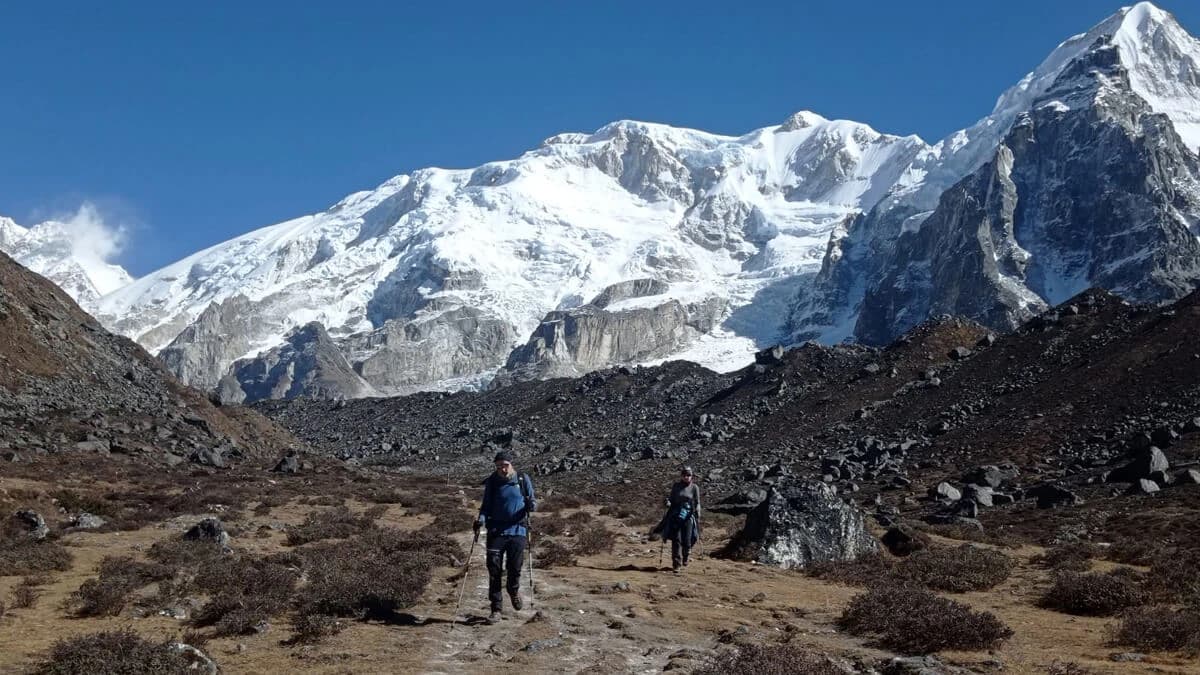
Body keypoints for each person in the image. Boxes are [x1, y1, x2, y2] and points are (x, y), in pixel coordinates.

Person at [474, 450, 536, 624]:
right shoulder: (492, 482)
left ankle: (513, 590)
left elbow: (532, 501)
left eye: (505, 465)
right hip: (496, 531)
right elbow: (485, 506)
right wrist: (481, 520)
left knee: (515, 568)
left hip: (518, 530)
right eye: (499, 466)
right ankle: (496, 609)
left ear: (511, 464)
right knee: (494, 571)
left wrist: (531, 506)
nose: (502, 469)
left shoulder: (522, 479)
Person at [662, 466, 701, 572]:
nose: (686, 477)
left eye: (688, 475)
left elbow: (697, 502)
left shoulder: (694, 487)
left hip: (688, 516)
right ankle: (676, 564)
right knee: (676, 540)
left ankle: (686, 556)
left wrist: (698, 511)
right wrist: (668, 503)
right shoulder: (676, 486)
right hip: (676, 515)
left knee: (687, 540)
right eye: (684, 475)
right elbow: (671, 499)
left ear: (691, 476)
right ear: (681, 476)